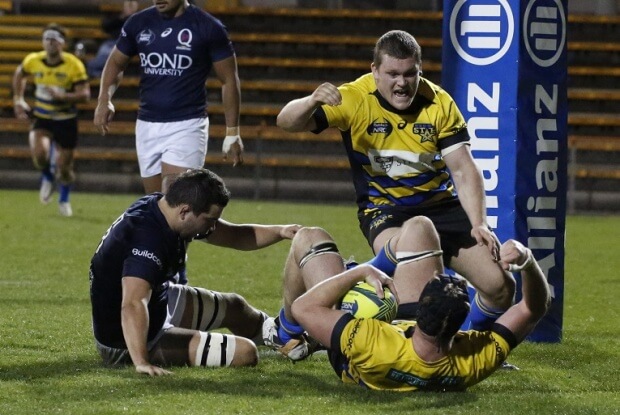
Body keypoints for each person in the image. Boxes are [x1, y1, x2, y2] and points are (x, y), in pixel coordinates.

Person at [276, 29, 515, 330]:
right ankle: (372, 291)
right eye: (392, 74)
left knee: (500, 286)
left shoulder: (439, 104)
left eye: (409, 74)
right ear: (374, 71)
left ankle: (471, 342)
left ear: (419, 70)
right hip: (386, 211)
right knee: (420, 280)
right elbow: (285, 122)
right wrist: (311, 101)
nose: (401, 83)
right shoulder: (354, 98)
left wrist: (479, 222)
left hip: (442, 206)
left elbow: (464, 170)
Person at [265, 218, 550, 391]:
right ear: (460, 328)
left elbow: (305, 308)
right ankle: (375, 267)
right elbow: (533, 308)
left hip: (355, 355)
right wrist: (527, 261)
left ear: (417, 307)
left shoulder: (370, 342)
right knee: (420, 228)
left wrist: (359, 273)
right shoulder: (475, 358)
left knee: (310, 238)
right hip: (418, 344)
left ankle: (287, 335)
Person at [89, 168, 301, 376]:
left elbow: (235, 236)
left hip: (158, 302)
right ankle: (139, 355)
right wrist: (142, 362)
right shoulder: (147, 238)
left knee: (236, 307)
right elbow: (133, 303)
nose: (212, 228)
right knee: (245, 353)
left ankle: (284, 338)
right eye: (210, 220)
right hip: (126, 338)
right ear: (184, 211)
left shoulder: (163, 207)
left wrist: (281, 231)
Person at [93, 0, 244, 195]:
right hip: (147, 125)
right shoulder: (138, 23)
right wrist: (104, 99)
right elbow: (115, 62)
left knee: (175, 197)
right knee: (157, 206)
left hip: (187, 125)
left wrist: (232, 131)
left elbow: (229, 80)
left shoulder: (208, 27)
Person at [12, 23, 91, 217]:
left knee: (65, 169)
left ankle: (64, 198)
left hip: (66, 118)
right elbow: (19, 74)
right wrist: (18, 99)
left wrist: (63, 96)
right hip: (43, 117)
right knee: (39, 155)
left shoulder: (73, 64)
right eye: (46, 38)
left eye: (54, 39)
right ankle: (47, 177)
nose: (50, 42)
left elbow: (85, 94)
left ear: (62, 43)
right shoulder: (33, 60)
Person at [87, 0, 139, 78]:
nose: (130, 7)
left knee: (108, 57)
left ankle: (106, 75)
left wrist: (131, 16)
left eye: (132, 6)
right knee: (102, 54)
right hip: (112, 43)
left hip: (127, 45)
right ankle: (102, 74)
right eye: (128, 5)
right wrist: (122, 17)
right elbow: (105, 26)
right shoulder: (119, 18)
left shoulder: (139, 19)